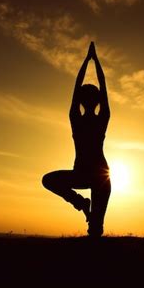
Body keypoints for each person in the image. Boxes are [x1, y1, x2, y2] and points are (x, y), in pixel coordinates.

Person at [42, 42, 111, 237]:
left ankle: (83, 208)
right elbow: (102, 85)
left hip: (99, 178)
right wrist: (94, 60)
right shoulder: (92, 118)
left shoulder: (81, 118)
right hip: (88, 175)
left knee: (95, 231)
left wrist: (88, 61)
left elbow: (79, 88)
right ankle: (81, 203)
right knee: (48, 180)